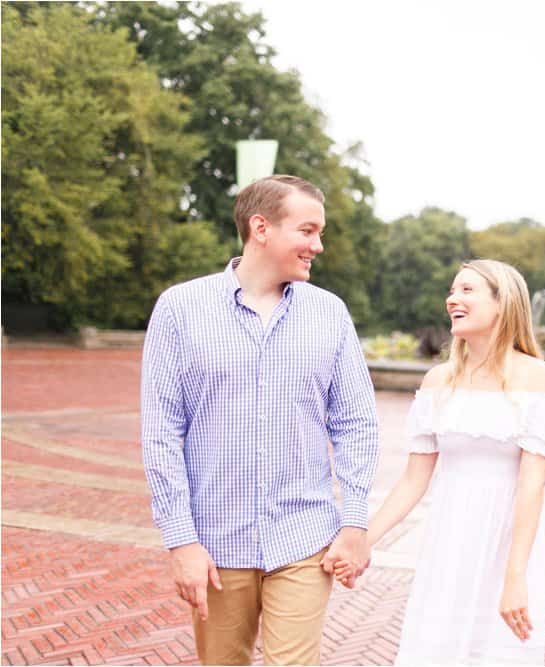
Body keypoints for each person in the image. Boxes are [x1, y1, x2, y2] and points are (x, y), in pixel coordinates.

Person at [140, 175, 379, 665]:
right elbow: (162, 434)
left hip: (305, 538)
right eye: (308, 231)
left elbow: (356, 425)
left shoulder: (329, 314)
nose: (318, 245)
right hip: (215, 545)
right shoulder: (180, 310)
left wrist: (354, 522)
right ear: (261, 227)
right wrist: (180, 539)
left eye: (320, 233)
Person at [336, 259, 545, 665]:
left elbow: (531, 489)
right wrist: (362, 541)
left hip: (509, 546)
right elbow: (413, 481)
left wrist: (515, 577)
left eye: (466, 290)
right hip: (448, 542)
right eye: (451, 290)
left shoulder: (541, 379)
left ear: (503, 304)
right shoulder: (438, 382)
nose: (452, 299)